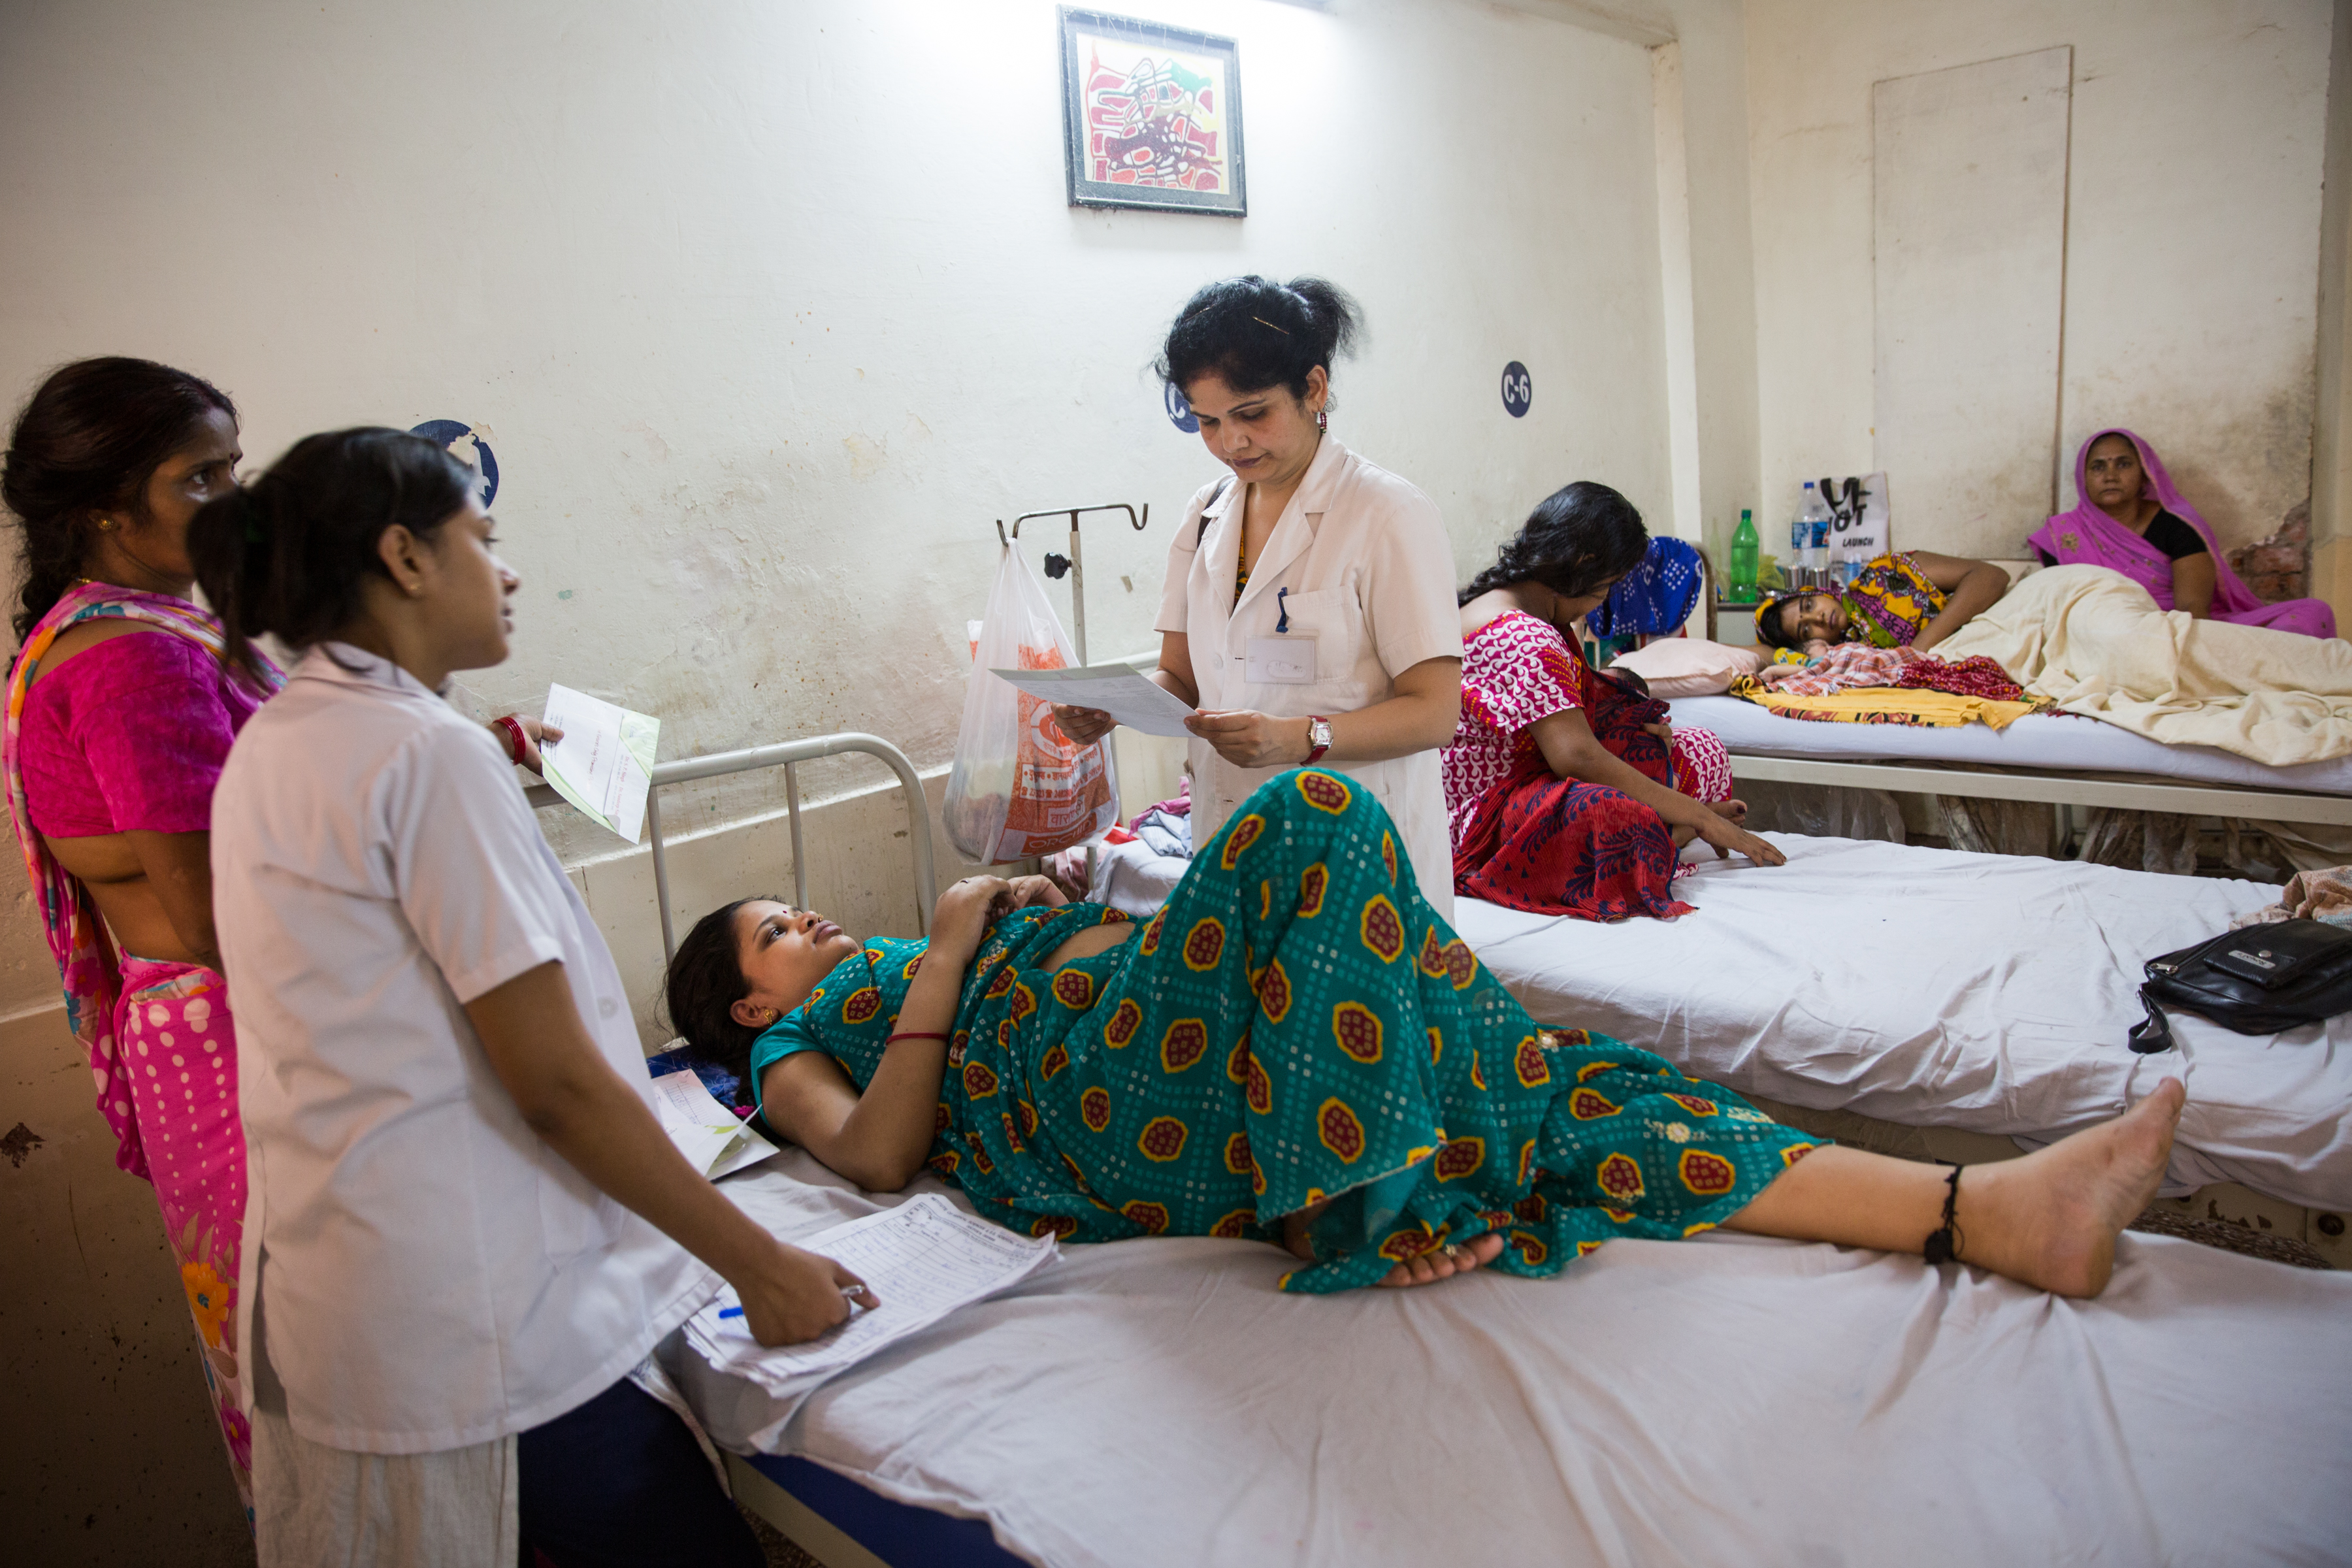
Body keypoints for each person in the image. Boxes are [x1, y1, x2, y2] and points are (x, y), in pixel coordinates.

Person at [666, 767, 2184, 1302]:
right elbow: (878, 1156)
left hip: (1188, 1039)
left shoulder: (879, 957)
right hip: (1110, 1106)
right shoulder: (795, 1053)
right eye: (779, 930)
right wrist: (947, 951)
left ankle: (1978, 1211)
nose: (812, 920)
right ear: (749, 1005)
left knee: (1569, 1088)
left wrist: (1038, 905)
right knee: (1316, 812)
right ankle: (1363, 1210)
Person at [195, 428, 862, 1567]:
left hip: (349, 1288)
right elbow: (555, 1083)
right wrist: (763, 1265)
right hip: (475, 1316)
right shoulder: (423, 754)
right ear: (406, 557)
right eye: (484, 539)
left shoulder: (280, 738)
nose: (505, 573)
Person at [0, 359, 561, 1526]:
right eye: (199, 480)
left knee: (338, 1382)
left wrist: (480, 752)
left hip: (232, 1031)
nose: (233, 503)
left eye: (234, 470)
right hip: (246, 1044)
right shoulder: (136, 659)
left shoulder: (132, 632)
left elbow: (287, 798)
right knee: (354, 1383)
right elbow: (219, 915)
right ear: (103, 510)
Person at [1052, 276, 1465, 921]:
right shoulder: (1206, 514)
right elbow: (1181, 679)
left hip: (1355, 850)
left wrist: (1300, 739)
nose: (1231, 443)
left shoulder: (1386, 513)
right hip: (1231, 838)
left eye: (1252, 414)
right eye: (1207, 422)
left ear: (1314, 389)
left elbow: (1436, 713)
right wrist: (1113, 707)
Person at [1446, 483, 1784, 921]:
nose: (1599, 604)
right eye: (1605, 588)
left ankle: (1669, 825)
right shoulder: (1523, 634)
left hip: (1537, 770)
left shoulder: (1526, 607)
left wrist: (1637, 724)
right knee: (1611, 817)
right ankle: (1673, 832)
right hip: (1484, 815)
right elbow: (1577, 757)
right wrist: (1701, 817)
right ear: (1582, 566)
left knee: (1696, 747)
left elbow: (1569, 712)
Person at [2029, 428, 2338, 638]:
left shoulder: (2175, 525)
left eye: (2123, 465)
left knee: (2313, 612)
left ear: (2144, 475)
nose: (2110, 475)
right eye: (2098, 467)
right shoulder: (2063, 535)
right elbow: (2062, 610)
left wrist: (2182, 652)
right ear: (2082, 478)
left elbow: (2193, 609)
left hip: (2178, 631)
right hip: (2104, 635)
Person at [1756, 548, 2012, 655]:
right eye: (1806, 629)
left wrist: (1922, 645)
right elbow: (1767, 656)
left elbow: (1992, 577)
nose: (1818, 618)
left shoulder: (1887, 571)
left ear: (1819, 592)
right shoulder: (1854, 658)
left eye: (1809, 606)